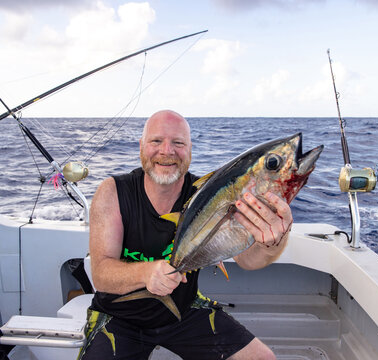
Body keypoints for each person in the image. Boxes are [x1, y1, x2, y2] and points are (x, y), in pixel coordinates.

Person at [80, 110, 293, 360]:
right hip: (118, 316)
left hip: (185, 308)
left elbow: (249, 261)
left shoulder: (208, 194)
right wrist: (147, 273)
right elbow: (102, 276)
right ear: (141, 146)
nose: (167, 151)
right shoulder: (113, 191)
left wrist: (272, 241)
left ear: (190, 148)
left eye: (178, 143)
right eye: (156, 141)